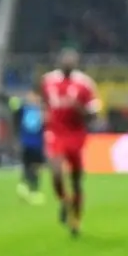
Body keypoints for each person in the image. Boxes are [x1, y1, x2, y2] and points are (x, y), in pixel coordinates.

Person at [39, 49, 101, 237]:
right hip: (55, 132)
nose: (68, 63)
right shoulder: (48, 80)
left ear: (76, 63)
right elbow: (44, 101)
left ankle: (76, 220)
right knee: (56, 172)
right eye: (65, 60)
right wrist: (44, 116)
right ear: (59, 62)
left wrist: (80, 109)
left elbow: (94, 114)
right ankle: (64, 200)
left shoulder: (85, 84)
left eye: (71, 61)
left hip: (76, 134)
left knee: (76, 180)